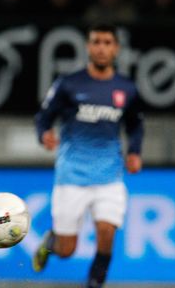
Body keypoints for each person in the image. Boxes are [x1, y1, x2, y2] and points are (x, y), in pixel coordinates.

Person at [32, 23, 144, 288]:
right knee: (67, 249)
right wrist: (44, 134)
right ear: (88, 46)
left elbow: (135, 124)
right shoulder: (69, 84)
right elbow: (43, 117)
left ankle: (94, 284)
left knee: (106, 233)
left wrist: (135, 152)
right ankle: (51, 243)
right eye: (96, 42)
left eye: (107, 42)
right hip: (72, 176)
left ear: (116, 48)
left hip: (109, 177)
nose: (101, 48)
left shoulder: (126, 88)